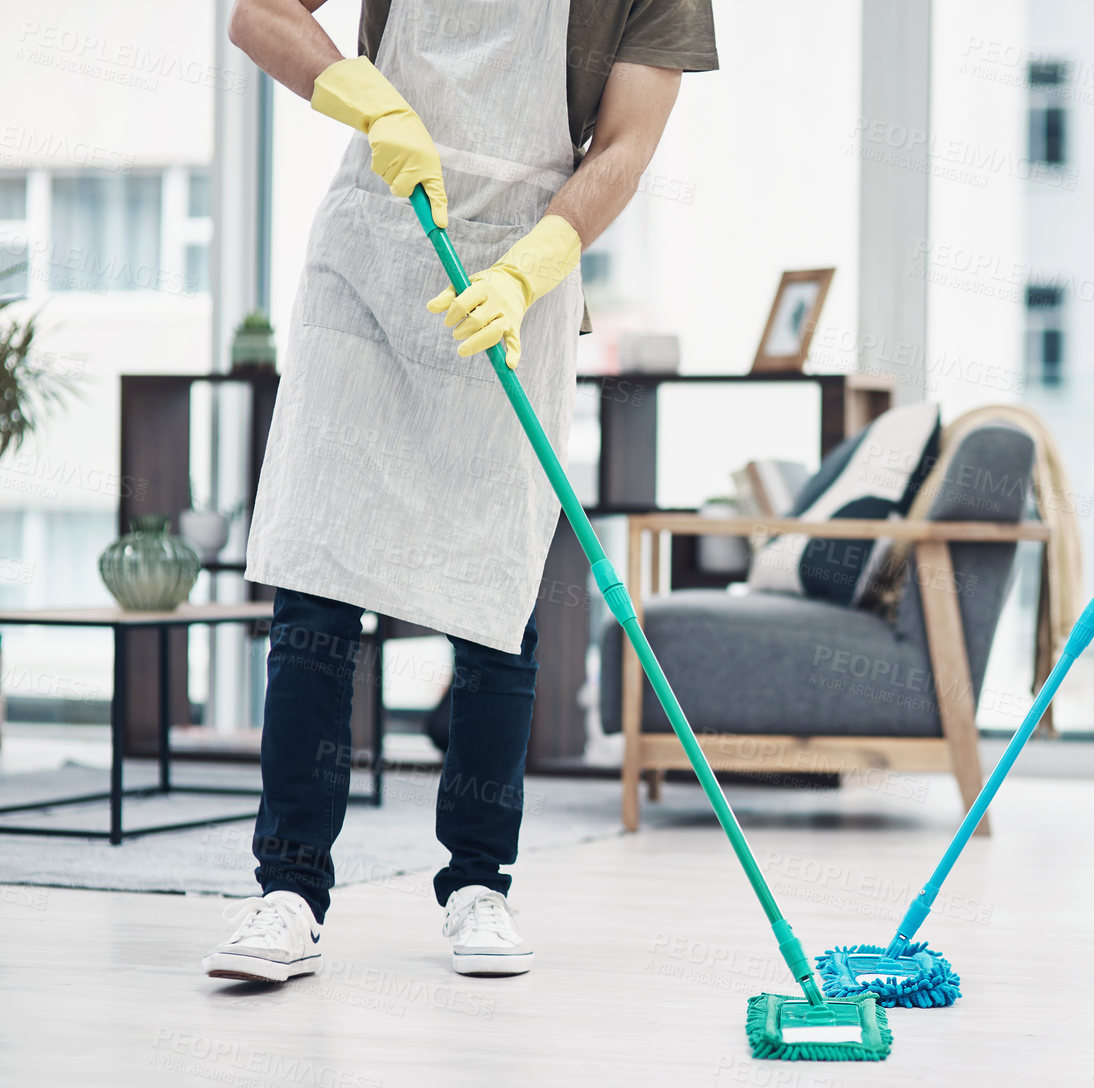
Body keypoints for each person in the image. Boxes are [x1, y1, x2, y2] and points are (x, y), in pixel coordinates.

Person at [203, 0, 716, 983]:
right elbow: (260, 14)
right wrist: (370, 103)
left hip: (524, 250)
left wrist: (532, 271)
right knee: (319, 567)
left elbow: (623, 149)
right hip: (373, 240)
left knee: (496, 583)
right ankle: (288, 891)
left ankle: (479, 884)